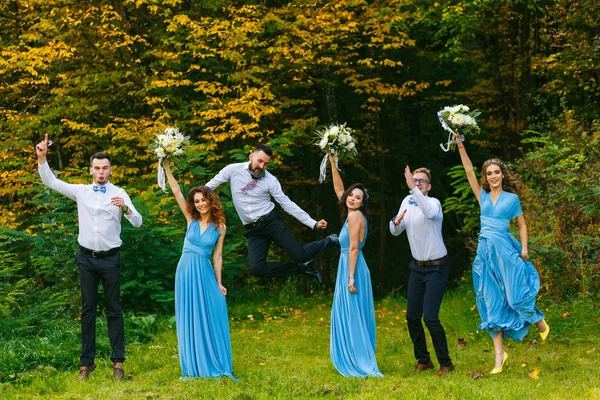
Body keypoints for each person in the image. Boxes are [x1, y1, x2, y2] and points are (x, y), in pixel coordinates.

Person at [35, 134, 142, 380]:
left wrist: (125, 209)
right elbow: (52, 182)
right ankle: (87, 364)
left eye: (105, 168)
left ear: (111, 170)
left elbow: (138, 222)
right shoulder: (81, 191)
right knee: (88, 310)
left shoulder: (120, 192)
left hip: (111, 258)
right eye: (97, 168)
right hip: (86, 258)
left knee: (114, 310)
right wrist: (42, 158)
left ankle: (118, 364)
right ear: (91, 170)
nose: (101, 172)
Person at [453, 134, 549, 374]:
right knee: (490, 301)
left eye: (497, 172)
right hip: (485, 256)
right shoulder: (482, 197)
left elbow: (522, 224)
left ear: (502, 175)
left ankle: (538, 320)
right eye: (489, 173)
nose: (493, 176)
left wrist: (524, 248)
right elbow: (467, 171)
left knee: (516, 296)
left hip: (506, 253)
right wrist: (460, 144)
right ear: (485, 178)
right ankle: (499, 356)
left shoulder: (512, 199)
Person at [204, 144, 338, 283]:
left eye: (266, 164)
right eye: (259, 161)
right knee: (257, 268)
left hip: (271, 223)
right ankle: (302, 269)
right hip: (252, 230)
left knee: (300, 255)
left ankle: (330, 240)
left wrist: (313, 223)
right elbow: (210, 186)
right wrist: (194, 200)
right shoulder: (232, 170)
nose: (261, 166)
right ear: (251, 157)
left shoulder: (270, 180)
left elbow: (287, 204)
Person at [163, 159, 235, 380]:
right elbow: (176, 190)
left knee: (209, 313)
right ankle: (193, 364)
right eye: (196, 201)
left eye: (203, 200)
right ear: (192, 204)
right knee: (189, 315)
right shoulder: (190, 220)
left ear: (210, 201)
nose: (200, 204)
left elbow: (218, 256)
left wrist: (219, 282)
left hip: (203, 272)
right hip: (185, 271)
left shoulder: (220, 227)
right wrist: (166, 166)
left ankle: (212, 360)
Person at [389, 166, 454, 377]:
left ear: (429, 186)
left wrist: (413, 189)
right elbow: (396, 231)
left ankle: (446, 363)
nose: (417, 183)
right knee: (412, 317)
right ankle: (424, 360)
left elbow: (428, 212)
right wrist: (395, 223)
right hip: (417, 268)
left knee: (431, 317)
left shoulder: (433, 203)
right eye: (415, 180)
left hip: (437, 267)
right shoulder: (407, 202)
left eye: (422, 181)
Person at [328, 154, 382, 378]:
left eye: (357, 197)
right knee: (353, 312)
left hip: (352, 268)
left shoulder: (354, 218)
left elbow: (353, 249)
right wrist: (332, 163)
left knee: (352, 313)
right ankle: (353, 353)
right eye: (351, 195)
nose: (351, 198)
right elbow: (339, 190)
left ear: (362, 203)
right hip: (352, 266)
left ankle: (356, 359)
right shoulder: (355, 214)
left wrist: (350, 278)